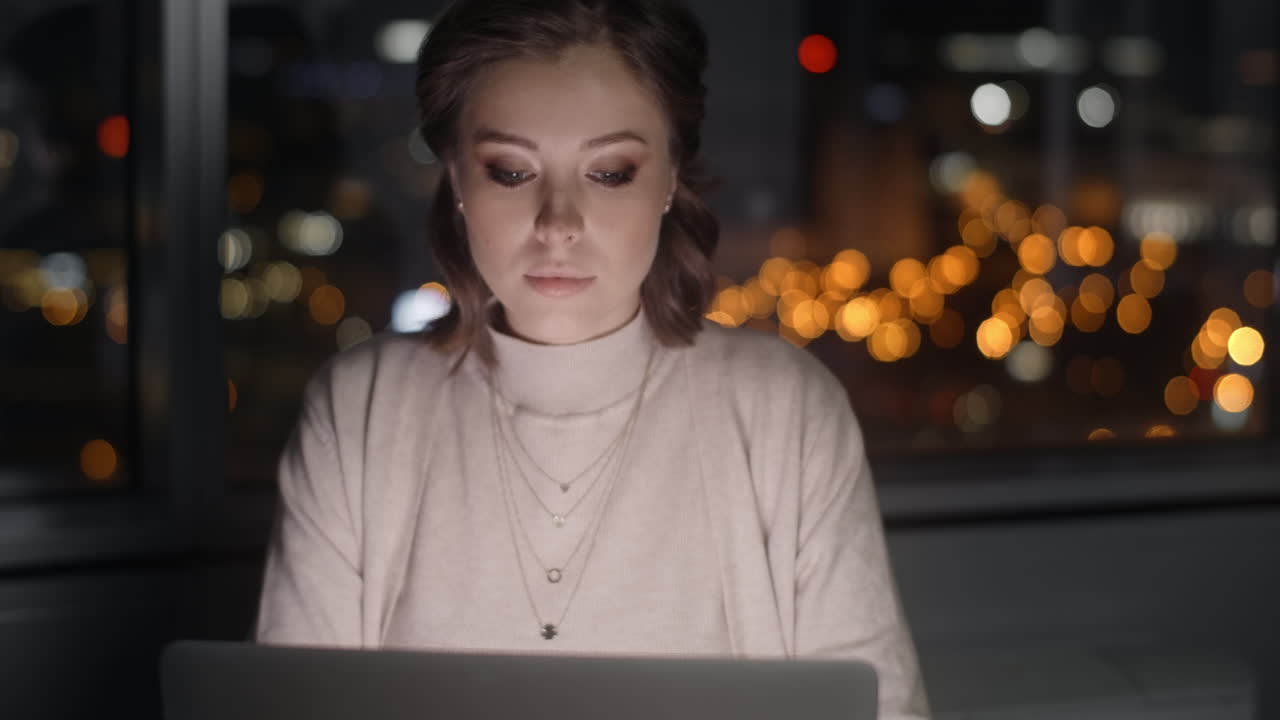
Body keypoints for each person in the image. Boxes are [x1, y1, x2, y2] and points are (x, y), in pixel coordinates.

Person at [254, 0, 930, 717]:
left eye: (610, 173)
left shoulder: (784, 411)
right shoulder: (361, 411)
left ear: (670, 177)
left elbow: (881, 708)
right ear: (455, 177)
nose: (559, 225)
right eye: (511, 172)